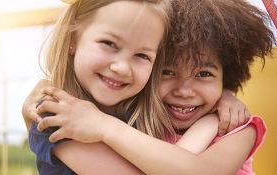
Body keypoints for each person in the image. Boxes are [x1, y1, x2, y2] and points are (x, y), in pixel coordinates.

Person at [29, 0, 276, 174]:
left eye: (204, 74)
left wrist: (222, 99)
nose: (185, 90)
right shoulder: (65, 116)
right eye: (167, 71)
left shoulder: (234, 127)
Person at [25, 0, 174, 174]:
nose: (123, 68)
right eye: (109, 43)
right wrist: (104, 125)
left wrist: (210, 118)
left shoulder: (147, 114)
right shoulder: (56, 114)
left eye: (142, 55)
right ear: (73, 38)